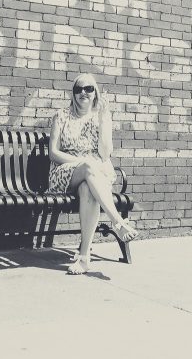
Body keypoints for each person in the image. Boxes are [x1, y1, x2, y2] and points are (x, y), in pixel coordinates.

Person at [48, 73, 138, 275]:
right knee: (90, 169)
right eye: (78, 89)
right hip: (64, 172)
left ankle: (84, 258)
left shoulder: (101, 116)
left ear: (95, 92)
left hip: (93, 175)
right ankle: (117, 222)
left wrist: (104, 119)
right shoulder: (61, 116)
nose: (83, 93)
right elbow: (53, 153)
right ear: (73, 94)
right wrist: (83, 164)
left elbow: (105, 154)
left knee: (87, 189)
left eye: (88, 88)